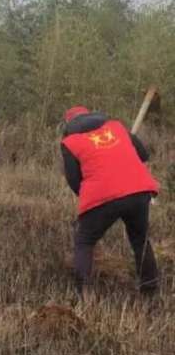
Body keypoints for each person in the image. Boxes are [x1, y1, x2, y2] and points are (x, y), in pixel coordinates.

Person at [60, 105, 160, 296]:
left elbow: (74, 180)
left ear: (69, 124)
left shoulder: (70, 142)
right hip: (139, 189)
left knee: (84, 241)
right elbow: (143, 154)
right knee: (140, 240)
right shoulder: (117, 127)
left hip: (102, 194)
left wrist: (90, 197)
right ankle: (150, 289)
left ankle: (83, 294)